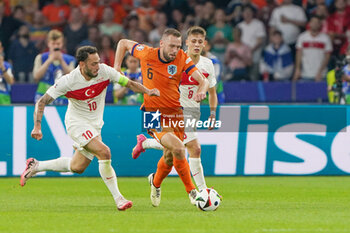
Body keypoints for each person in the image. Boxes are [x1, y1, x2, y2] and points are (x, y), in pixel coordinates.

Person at [20, 45, 160, 211]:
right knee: (104, 152)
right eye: (93, 64)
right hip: (77, 124)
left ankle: (36, 166)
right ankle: (119, 199)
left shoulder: (105, 71)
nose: (97, 66)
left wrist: (148, 91)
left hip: (95, 125)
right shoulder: (68, 81)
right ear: (81, 64)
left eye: (98, 62)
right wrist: (37, 126)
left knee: (77, 167)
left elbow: (128, 83)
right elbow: (42, 101)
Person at [114, 28, 209, 207]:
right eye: (172, 46)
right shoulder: (147, 53)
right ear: (162, 44)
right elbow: (123, 43)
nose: (175, 50)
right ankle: (193, 193)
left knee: (169, 157)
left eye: (178, 46)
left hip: (175, 113)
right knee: (179, 149)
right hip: (153, 113)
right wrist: (117, 67)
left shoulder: (181, 57)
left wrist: (202, 91)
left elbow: (202, 80)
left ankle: (155, 182)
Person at [131, 26, 217, 192]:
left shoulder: (207, 65)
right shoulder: (176, 59)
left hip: (193, 112)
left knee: (169, 155)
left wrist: (212, 112)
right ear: (186, 43)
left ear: (205, 44)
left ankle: (153, 174)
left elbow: (212, 91)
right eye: (193, 41)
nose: (197, 45)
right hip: (174, 111)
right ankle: (201, 191)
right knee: (193, 147)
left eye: (200, 42)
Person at [33, 30, 76, 105]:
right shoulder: (40, 58)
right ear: (48, 43)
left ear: (62, 44)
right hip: (43, 95)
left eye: (58, 44)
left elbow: (72, 78)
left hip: (63, 97)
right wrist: (49, 60)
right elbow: (36, 77)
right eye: (53, 44)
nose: (56, 46)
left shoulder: (70, 59)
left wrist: (61, 60)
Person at [293, 16, 332, 81]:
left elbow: (327, 57)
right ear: (309, 23)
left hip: (321, 75)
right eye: (313, 22)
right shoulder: (302, 37)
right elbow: (299, 54)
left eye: (317, 22)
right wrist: (298, 69)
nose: (315, 24)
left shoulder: (325, 38)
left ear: (320, 25)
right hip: (305, 74)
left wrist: (320, 71)